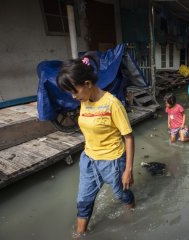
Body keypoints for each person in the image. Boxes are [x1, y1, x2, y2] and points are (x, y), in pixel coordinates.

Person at [56, 55, 135, 236]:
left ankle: (131, 208)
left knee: (122, 195)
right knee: (84, 200)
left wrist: (127, 170)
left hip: (112, 161)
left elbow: (129, 137)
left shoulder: (112, 104)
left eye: (74, 91)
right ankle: (79, 234)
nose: (73, 96)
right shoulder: (84, 101)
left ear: (87, 84)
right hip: (89, 160)